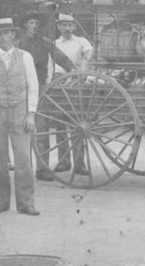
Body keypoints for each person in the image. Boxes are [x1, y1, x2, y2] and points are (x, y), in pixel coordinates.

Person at [0, 17, 41, 215]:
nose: (3, 37)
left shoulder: (25, 57)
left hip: (20, 111)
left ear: (13, 34)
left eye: (7, 33)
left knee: (23, 158)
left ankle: (26, 203)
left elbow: (33, 87)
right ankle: (0, 202)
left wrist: (31, 114)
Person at [17, 12, 75, 181]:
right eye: (31, 22)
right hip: (21, 88)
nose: (34, 26)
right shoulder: (19, 44)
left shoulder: (46, 43)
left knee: (40, 128)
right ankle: (23, 168)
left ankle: (42, 168)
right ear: (25, 25)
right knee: (20, 129)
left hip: (40, 89)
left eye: (36, 22)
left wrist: (73, 71)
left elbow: (62, 59)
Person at [48, 14, 93, 175]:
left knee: (78, 125)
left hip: (76, 85)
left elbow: (90, 55)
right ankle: (64, 161)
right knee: (60, 125)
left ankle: (80, 164)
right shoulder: (54, 44)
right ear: (58, 27)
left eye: (70, 25)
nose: (67, 28)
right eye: (63, 25)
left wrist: (87, 62)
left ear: (74, 27)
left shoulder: (81, 42)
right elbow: (49, 64)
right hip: (58, 84)